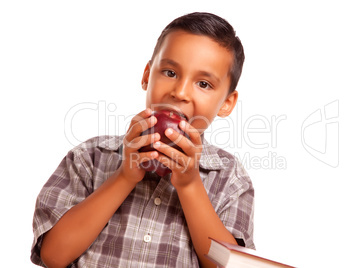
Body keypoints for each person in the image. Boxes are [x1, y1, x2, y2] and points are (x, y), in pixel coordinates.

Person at [31, 12, 254, 268]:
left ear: (227, 103)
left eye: (203, 84)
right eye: (170, 72)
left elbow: (230, 265)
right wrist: (124, 176)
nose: (179, 92)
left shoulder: (230, 178)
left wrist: (191, 186)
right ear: (147, 75)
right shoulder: (89, 157)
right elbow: (53, 256)